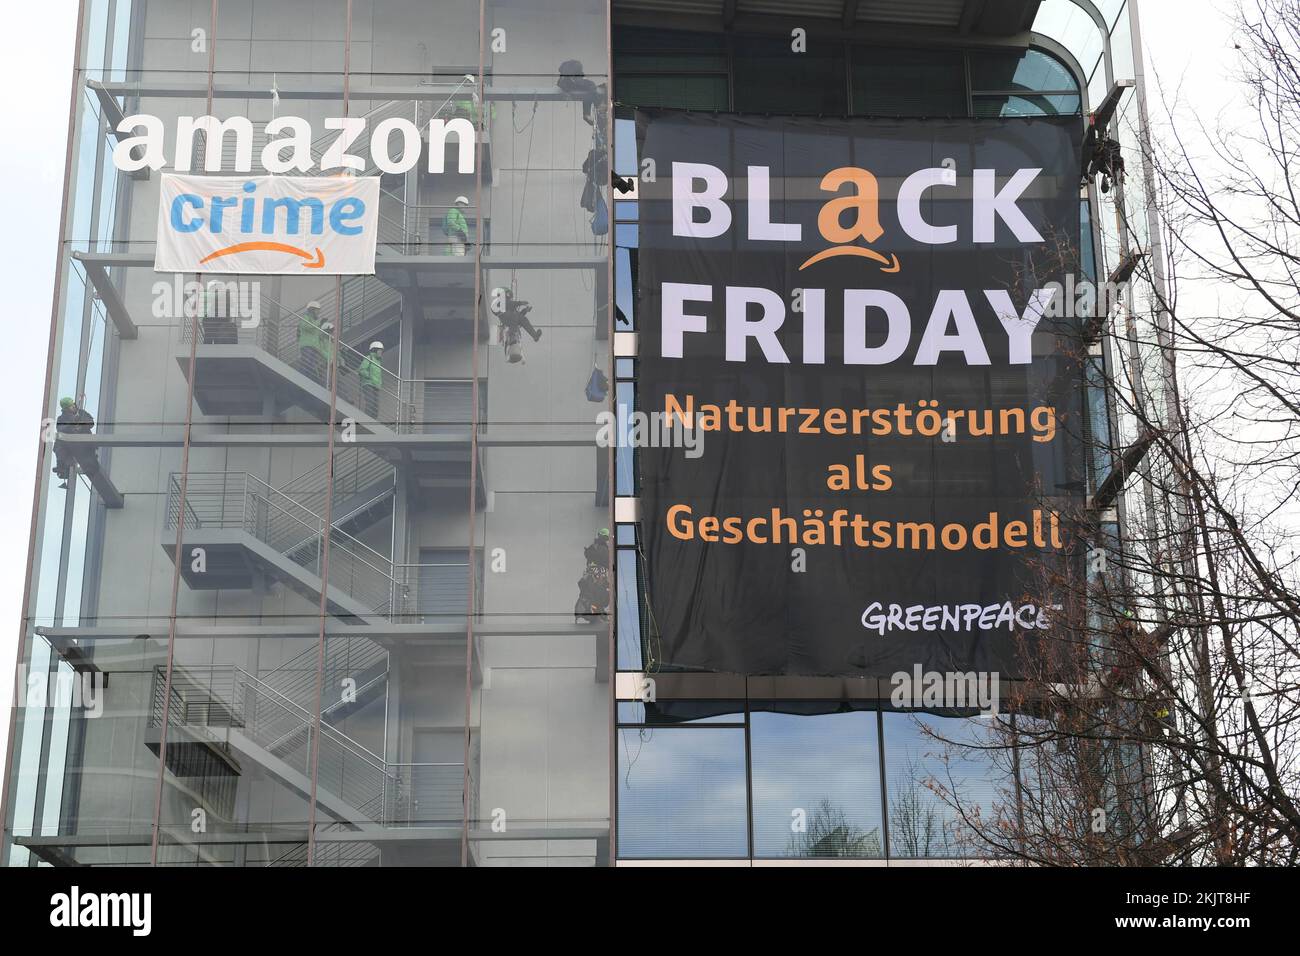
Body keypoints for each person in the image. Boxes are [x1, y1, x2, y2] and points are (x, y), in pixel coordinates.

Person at [53, 397, 96, 489]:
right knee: (59, 444)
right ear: (65, 409)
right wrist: (71, 424)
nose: (72, 407)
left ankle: (90, 464)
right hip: (71, 445)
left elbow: (91, 423)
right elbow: (60, 429)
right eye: (69, 407)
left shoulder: (81, 413)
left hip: (83, 442)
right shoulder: (61, 418)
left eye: (72, 405)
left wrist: (81, 423)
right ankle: (62, 465)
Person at [297, 301, 326, 384]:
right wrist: (318, 323)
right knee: (307, 363)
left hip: (313, 346)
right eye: (317, 310)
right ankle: (303, 379)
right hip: (307, 345)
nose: (318, 312)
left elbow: (317, 334)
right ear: (312, 310)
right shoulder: (305, 317)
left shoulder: (314, 320)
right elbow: (306, 326)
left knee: (312, 365)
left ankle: (309, 380)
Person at [358, 341, 385, 418]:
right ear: (374, 350)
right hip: (368, 384)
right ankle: (367, 420)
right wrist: (369, 376)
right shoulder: (369, 358)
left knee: (376, 405)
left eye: (381, 350)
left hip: (376, 386)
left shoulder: (379, 361)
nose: (381, 352)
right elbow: (361, 370)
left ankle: (373, 421)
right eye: (379, 350)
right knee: (370, 403)